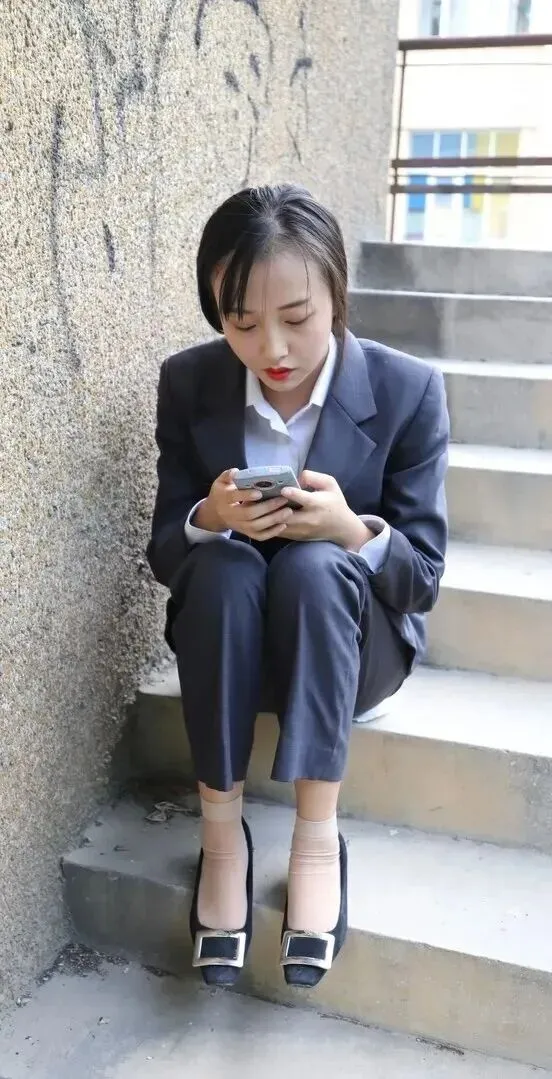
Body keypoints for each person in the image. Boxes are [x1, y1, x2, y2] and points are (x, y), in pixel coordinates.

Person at [146, 183, 449, 990]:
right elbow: (165, 552)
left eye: (297, 317)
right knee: (219, 564)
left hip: (352, 650)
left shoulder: (409, 391)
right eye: (242, 322)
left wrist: (349, 528)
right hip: (232, 643)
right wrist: (209, 517)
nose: (272, 347)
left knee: (317, 566)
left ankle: (316, 836)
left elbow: (421, 578)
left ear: (337, 296)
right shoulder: (189, 382)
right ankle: (222, 836)